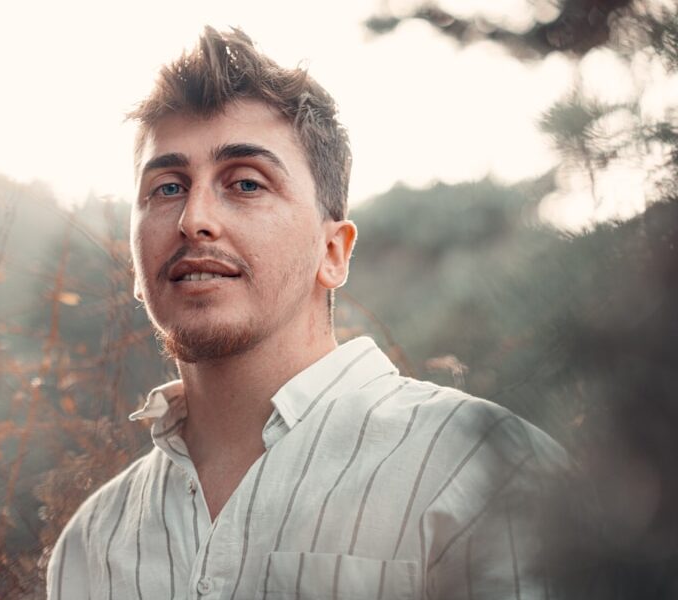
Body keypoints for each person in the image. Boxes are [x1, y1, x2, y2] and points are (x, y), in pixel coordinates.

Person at [47, 26, 567, 600]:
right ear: (135, 266)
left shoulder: (480, 470)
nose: (194, 218)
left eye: (245, 183)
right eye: (167, 188)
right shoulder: (92, 544)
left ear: (333, 252)